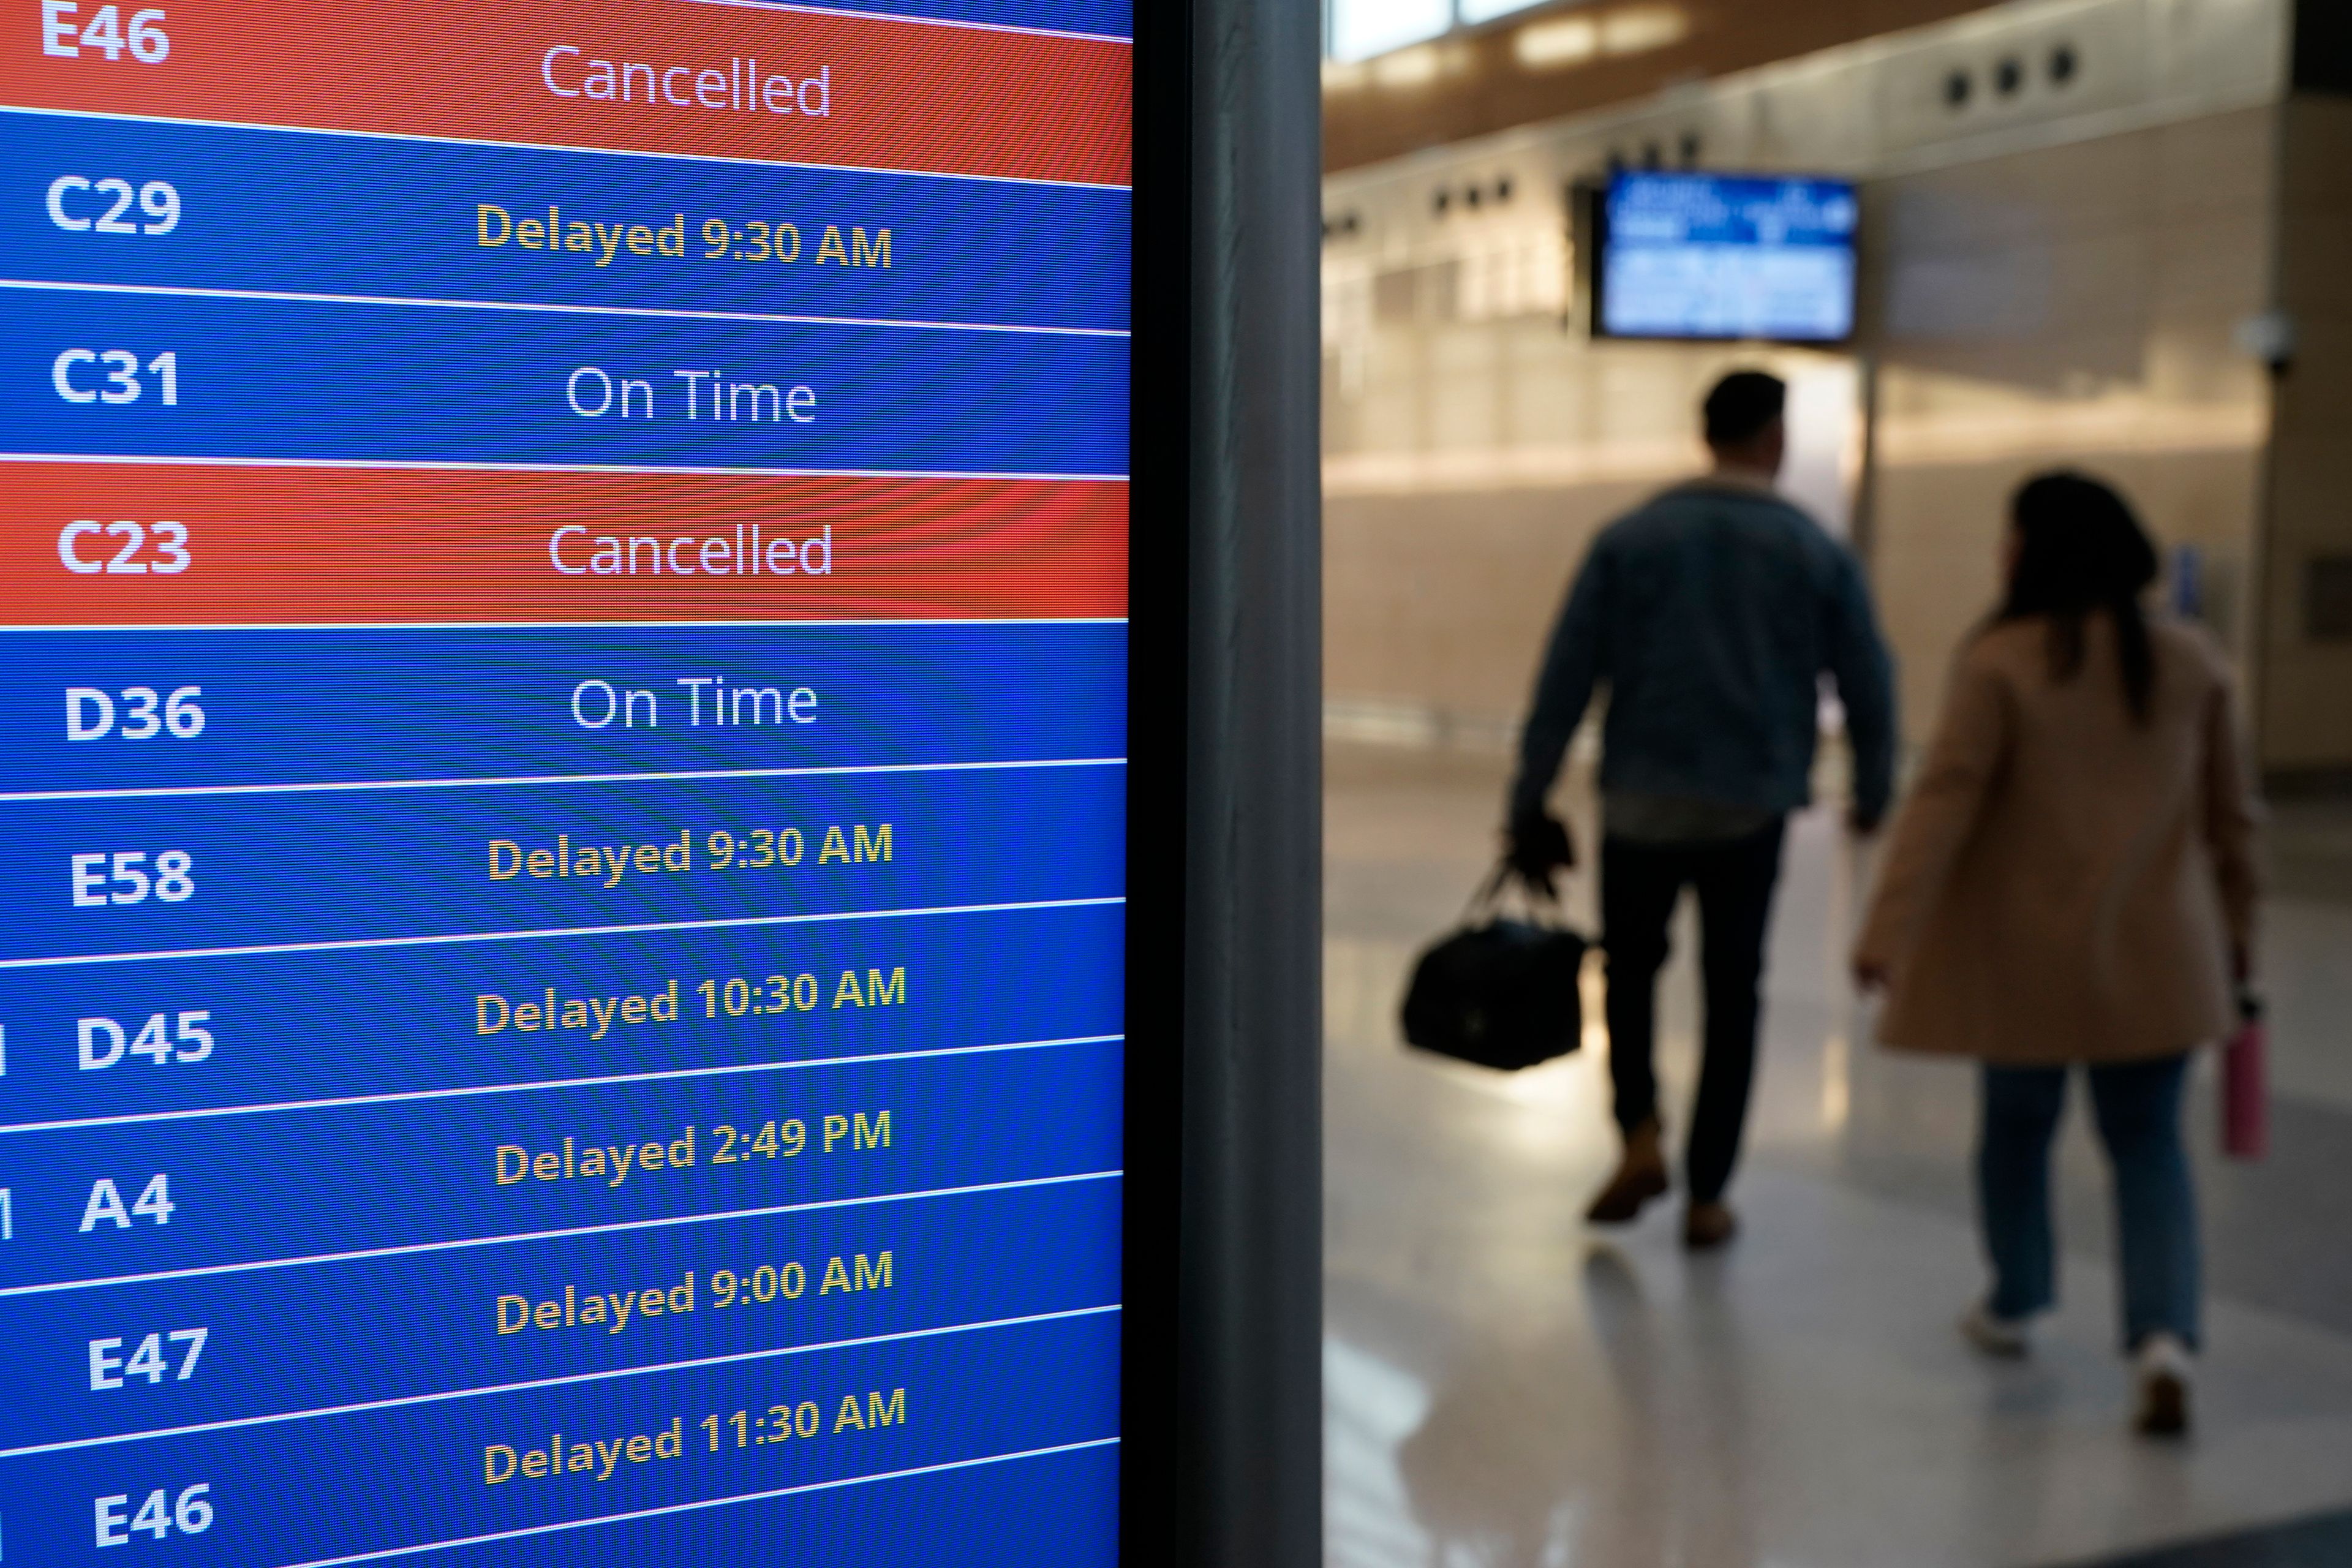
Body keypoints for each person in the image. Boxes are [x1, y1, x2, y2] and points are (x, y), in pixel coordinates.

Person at [1852, 472, 2259, 1438]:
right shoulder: (2191, 661)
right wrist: (2240, 937)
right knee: (2149, 1146)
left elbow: (1942, 802)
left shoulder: (2000, 663)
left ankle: (2017, 1299)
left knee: (2016, 1133)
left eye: (2012, 535)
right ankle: (2163, 1338)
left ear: (2038, 550)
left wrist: (1886, 929)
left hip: (2022, 959)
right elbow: (2235, 822)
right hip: (2159, 959)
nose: (2001, 554)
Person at [1507, 369, 1897, 1250]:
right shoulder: (1812, 549)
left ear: (1704, 434)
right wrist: (1874, 790)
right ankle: (1710, 1194)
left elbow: (1565, 676)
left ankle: (1640, 1130)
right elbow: (1870, 678)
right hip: (1747, 806)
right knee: (1734, 994)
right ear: (1774, 441)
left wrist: (1526, 797)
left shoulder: (1630, 540)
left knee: (1632, 974)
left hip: (1640, 802)